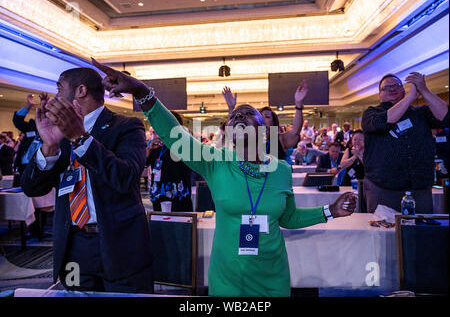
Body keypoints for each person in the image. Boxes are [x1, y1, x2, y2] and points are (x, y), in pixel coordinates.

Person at [92, 58, 357, 297]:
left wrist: (329, 211)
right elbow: (176, 136)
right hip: (228, 278)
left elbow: (287, 218)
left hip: (272, 276)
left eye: (246, 114)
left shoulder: (281, 170)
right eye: (234, 116)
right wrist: (141, 92)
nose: (238, 117)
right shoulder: (216, 161)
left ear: (264, 133)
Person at [20, 67, 154, 293]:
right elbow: (31, 187)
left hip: (118, 242)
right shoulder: (58, 133)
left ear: (80, 90)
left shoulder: (126, 126)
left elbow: (127, 178)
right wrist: (50, 146)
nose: (55, 97)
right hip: (74, 245)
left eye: (59, 88)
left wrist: (80, 137)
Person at [362, 72, 448, 214]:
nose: (392, 89)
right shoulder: (371, 113)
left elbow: (445, 117)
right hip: (383, 188)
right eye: (386, 88)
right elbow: (385, 121)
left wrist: (423, 89)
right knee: (384, 233)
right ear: (380, 95)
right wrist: (410, 98)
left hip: (419, 189)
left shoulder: (421, 112)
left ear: (403, 89)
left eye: (396, 85)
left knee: (422, 232)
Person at [222, 81, 307, 164]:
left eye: (267, 117)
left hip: (273, 176)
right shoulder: (250, 140)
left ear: (273, 122)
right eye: (260, 117)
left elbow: (295, 131)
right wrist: (231, 109)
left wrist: (298, 104)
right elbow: (233, 130)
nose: (262, 119)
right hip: (250, 177)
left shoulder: (278, 139)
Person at [146, 111, 193, 212]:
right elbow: (144, 162)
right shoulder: (156, 143)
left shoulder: (184, 143)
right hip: (159, 193)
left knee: (180, 224)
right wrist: (149, 148)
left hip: (178, 195)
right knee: (161, 224)